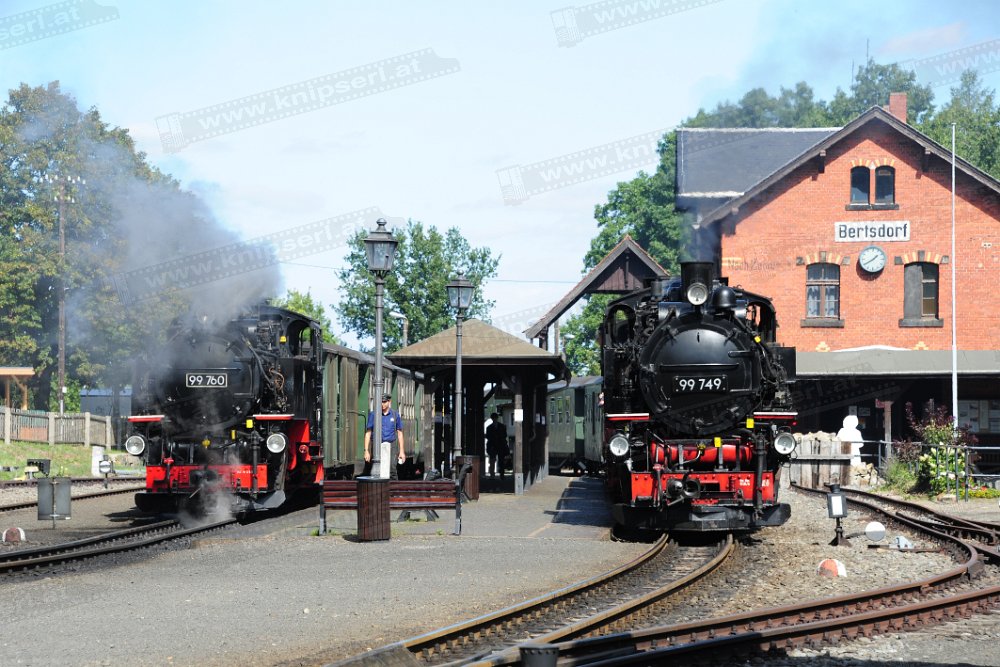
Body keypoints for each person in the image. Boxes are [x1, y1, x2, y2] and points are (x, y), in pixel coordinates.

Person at [364, 393, 405, 479]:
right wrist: (366, 450)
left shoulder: (395, 414)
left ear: (389, 402)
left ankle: (393, 486)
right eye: (381, 402)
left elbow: (400, 433)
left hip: (391, 444)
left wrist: (401, 451)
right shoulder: (373, 414)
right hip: (377, 444)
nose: (382, 404)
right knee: (376, 468)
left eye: (384, 402)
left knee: (392, 468)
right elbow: (368, 433)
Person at [485, 412, 509, 480]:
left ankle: (496, 475)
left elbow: (488, 436)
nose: (494, 419)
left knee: (496, 461)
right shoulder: (502, 426)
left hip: (495, 445)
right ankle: (498, 475)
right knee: (496, 461)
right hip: (496, 445)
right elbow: (505, 435)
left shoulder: (489, 427)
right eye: (494, 418)